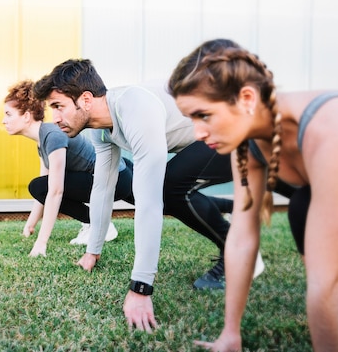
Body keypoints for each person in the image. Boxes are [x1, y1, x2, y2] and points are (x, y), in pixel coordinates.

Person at [32, 59, 260, 332]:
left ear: (86, 99)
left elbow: (149, 203)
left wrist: (141, 287)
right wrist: (93, 250)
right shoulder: (101, 132)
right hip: (211, 136)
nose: (54, 118)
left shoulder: (134, 109)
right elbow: (102, 188)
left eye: (58, 106)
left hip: (244, 129)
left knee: (167, 188)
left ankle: (237, 251)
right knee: (173, 187)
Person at [167, 38, 338, 352]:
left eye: (203, 115)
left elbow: (323, 290)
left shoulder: (329, 133)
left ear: (246, 98)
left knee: (325, 280)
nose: (198, 133)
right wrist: (231, 333)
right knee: (303, 207)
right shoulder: (248, 143)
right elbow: (242, 237)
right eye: (191, 119)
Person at [3, 80, 135, 257]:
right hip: (115, 175)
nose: (3, 121)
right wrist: (30, 224)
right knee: (40, 186)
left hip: (116, 178)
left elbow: (55, 191)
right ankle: (97, 223)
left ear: (26, 116)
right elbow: (45, 186)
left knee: (39, 186)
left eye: (8, 114)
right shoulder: (44, 138)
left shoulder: (52, 136)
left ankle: (98, 225)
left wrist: (41, 243)